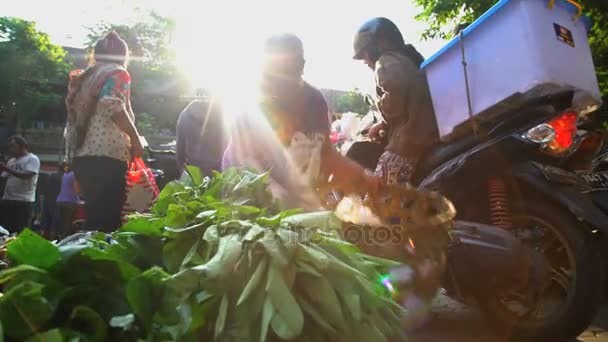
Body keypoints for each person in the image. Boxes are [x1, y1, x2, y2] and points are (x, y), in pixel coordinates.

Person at [352, 17, 443, 328]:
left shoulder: (387, 63)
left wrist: (382, 115)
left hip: (407, 146)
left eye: (364, 53)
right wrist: (383, 124)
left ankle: (405, 294)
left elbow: (393, 103)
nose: (365, 60)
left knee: (377, 213)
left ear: (378, 45)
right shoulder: (410, 60)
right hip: (427, 138)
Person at [222, 33, 379, 209]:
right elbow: (245, 159)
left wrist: (362, 177)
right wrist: (274, 191)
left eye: (287, 71)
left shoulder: (314, 100)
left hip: (291, 185)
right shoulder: (249, 103)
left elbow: (326, 154)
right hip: (244, 184)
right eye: (273, 72)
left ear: (301, 66)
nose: (280, 80)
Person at [65, 31, 144, 232]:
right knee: (108, 222)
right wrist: (135, 139)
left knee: (94, 219)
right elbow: (111, 105)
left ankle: (86, 260)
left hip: (82, 157)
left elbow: (72, 120)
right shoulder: (118, 74)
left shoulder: (84, 78)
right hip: (107, 157)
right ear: (123, 55)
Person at [176, 98, 227, 176]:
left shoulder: (185, 115)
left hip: (192, 173)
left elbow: (180, 149)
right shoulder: (223, 117)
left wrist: (182, 171)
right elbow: (227, 147)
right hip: (217, 173)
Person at [0, 135, 41, 233]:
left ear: (22, 146)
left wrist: (6, 168)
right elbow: (3, 177)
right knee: (6, 230)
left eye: (13, 146)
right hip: (8, 199)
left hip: (23, 201)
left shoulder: (32, 159)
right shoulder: (11, 161)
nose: (11, 149)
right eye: (10, 146)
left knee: (20, 230)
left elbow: (27, 175)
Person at [52, 163, 80, 239]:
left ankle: (57, 238)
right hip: (70, 202)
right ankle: (65, 241)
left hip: (60, 200)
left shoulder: (65, 175)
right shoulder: (74, 175)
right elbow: (77, 190)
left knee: (61, 223)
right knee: (67, 224)